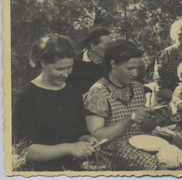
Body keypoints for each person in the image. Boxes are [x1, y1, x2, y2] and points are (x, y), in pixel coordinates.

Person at [12, 34, 97, 171]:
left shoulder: (74, 94)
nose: (66, 74)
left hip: (73, 168)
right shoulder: (27, 96)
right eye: (59, 69)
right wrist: (68, 148)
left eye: (69, 67)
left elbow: (81, 132)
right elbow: (25, 151)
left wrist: (87, 140)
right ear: (43, 63)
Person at [83, 40, 159, 170]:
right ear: (113, 64)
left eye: (137, 68)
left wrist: (154, 119)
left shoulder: (137, 87)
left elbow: (143, 127)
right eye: (130, 68)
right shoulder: (98, 92)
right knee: (156, 165)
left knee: (171, 155)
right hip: (111, 151)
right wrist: (128, 119)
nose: (135, 73)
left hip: (139, 144)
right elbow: (97, 137)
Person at [67, 27, 112, 94]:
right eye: (107, 46)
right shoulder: (73, 64)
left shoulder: (111, 64)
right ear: (93, 46)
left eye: (111, 45)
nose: (111, 48)